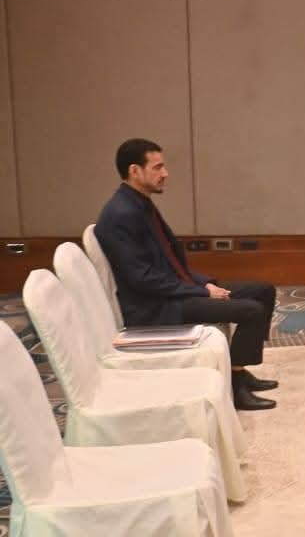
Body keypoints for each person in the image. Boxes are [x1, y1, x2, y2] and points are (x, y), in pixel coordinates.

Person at [95, 139, 277, 411]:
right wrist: (202, 291)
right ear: (134, 171)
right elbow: (143, 279)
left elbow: (169, 263)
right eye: (157, 167)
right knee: (251, 310)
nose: (165, 173)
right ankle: (236, 383)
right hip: (155, 307)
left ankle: (239, 367)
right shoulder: (122, 214)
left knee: (263, 291)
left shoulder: (139, 204)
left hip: (172, 291)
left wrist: (205, 283)